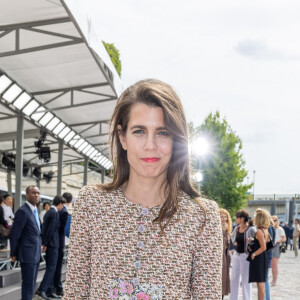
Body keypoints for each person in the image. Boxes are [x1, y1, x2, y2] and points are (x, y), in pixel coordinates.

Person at [64, 79, 223, 299]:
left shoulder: (202, 216)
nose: (151, 145)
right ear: (122, 138)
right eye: (139, 131)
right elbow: (75, 292)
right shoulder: (91, 203)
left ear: (177, 141)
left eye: (163, 132)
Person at [9, 186, 42, 300]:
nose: (36, 195)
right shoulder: (23, 211)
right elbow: (15, 233)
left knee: (32, 283)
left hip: (35, 253)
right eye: (33, 193)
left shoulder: (35, 210)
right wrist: (13, 253)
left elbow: (36, 232)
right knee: (28, 284)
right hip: (27, 254)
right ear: (27, 195)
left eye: (38, 193)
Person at [36, 196, 65, 300]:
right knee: (51, 268)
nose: (63, 207)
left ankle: (50, 291)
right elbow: (51, 230)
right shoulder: (54, 213)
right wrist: (46, 243)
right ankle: (42, 289)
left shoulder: (50, 212)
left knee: (51, 268)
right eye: (63, 205)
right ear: (60, 203)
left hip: (51, 244)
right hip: (52, 244)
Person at [230, 209, 256, 300]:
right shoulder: (237, 228)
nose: (236, 219)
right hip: (237, 255)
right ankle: (233, 298)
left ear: (242, 218)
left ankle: (247, 298)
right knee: (234, 278)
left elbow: (257, 240)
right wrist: (234, 243)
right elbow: (232, 236)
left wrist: (251, 241)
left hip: (246, 255)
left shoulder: (251, 229)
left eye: (237, 217)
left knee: (246, 279)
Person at [248, 208, 270, 300]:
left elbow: (263, 247)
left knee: (260, 284)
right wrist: (253, 241)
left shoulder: (259, 231)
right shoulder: (266, 230)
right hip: (264, 257)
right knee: (261, 283)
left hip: (259, 258)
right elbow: (266, 243)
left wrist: (254, 254)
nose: (254, 219)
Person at [53, 192, 72, 296]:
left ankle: (55, 287)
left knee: (56, 266)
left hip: (57, 242)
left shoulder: (59, 210)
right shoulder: (64, 211)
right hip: (60, 242)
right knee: (58, 266)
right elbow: (63, 229)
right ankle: (58, 288)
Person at [270, 215, 286, 286]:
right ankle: (272, 279)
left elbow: (284, 238)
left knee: (274, 264)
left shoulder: (279, 229)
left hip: (276, 246)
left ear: (277, 221)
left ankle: (274, 280)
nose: (274, 222)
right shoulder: (269, 228)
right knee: (270, 264)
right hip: (270, 246)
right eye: (272, 220)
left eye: (275, 220)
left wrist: (277, 241)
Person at [220, 208, 232, 299]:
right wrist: (223, 231)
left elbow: (228, 244)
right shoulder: (216, 229)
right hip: (219, 257)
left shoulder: (228, 229)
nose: (224, 219)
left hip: (225, 257)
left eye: (225, 217)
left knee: (224, 279)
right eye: (221, 216)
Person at [264, 217, 275, 300]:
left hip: (265, 255)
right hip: (267, 255)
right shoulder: (271, 228)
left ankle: (266, 298)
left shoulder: (268, 228)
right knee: (265, 278)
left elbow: (268, 244)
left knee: (265, 278)